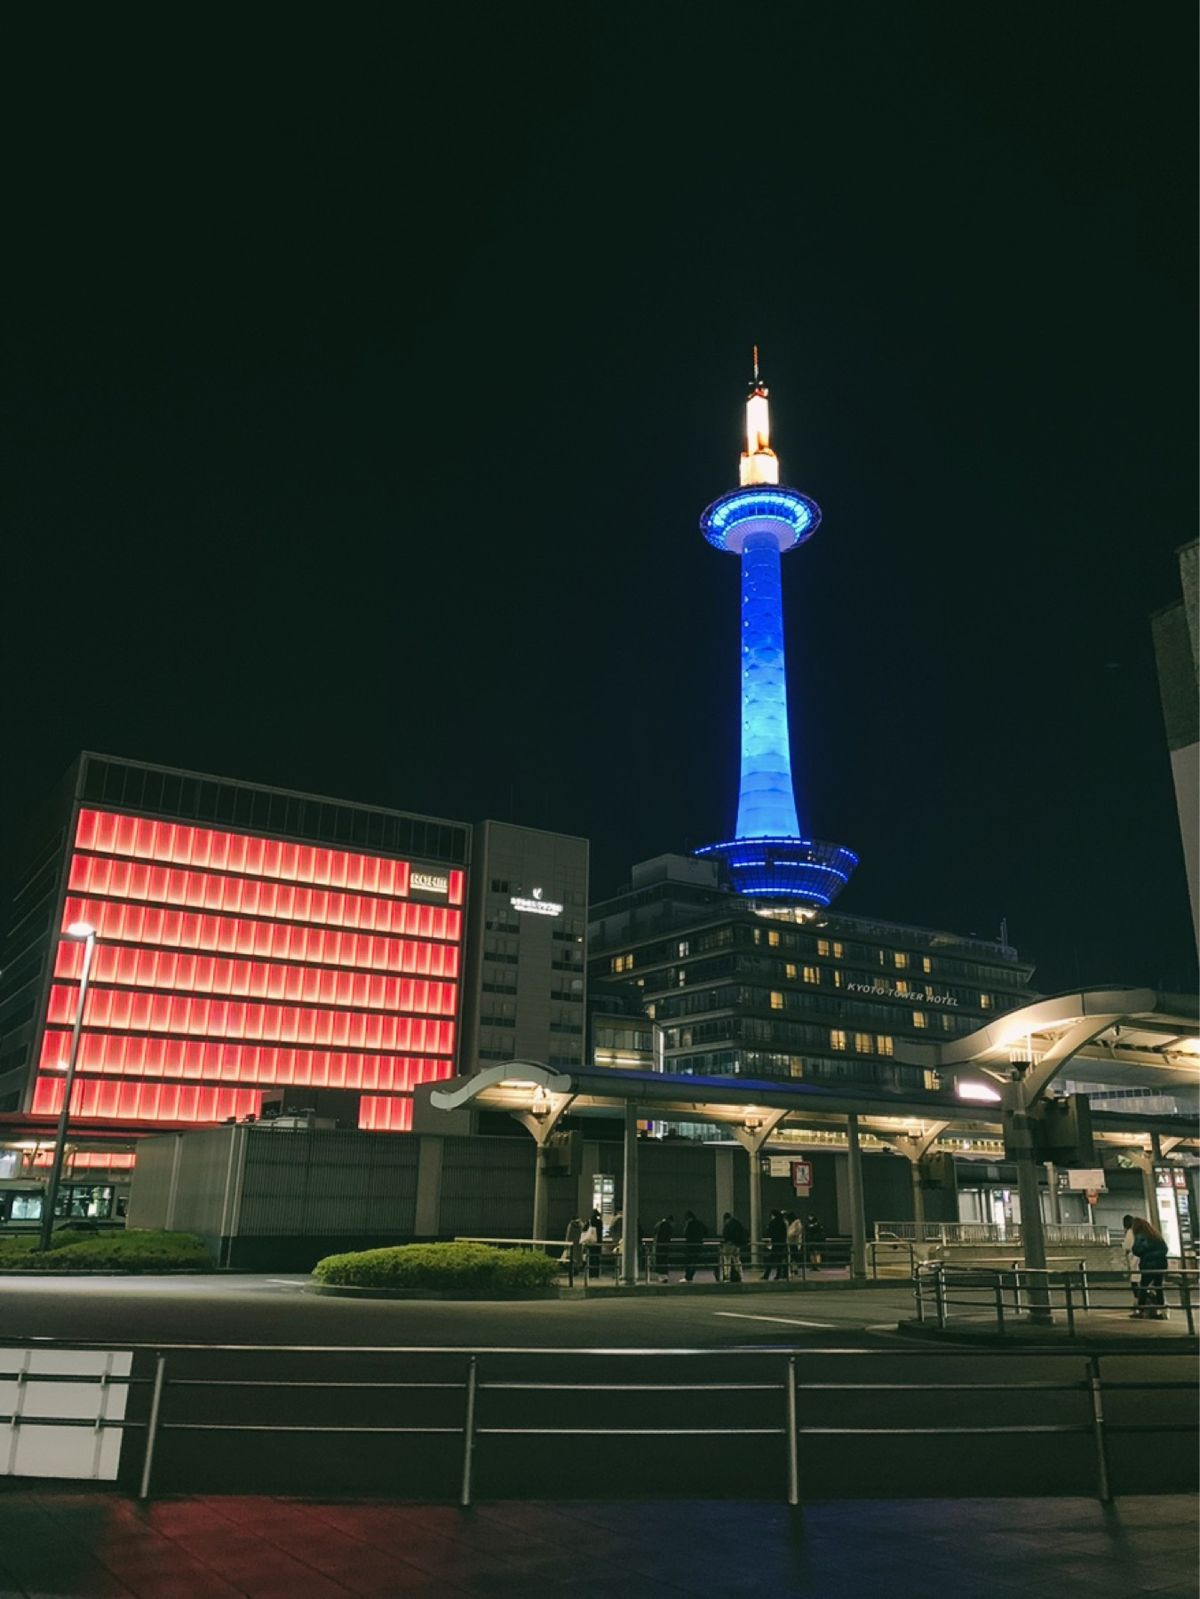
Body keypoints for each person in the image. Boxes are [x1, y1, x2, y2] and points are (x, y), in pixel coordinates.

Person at [1123, 1213, 1170, 1319]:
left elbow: (1137, 1250)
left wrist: (1145, 1255)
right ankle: (1162, 1311)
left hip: (1149, 1265)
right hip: (1161, 1264)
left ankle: (1141, 1310)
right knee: (1158, 1287)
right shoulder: (1155, 1235)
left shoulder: (1140, 1236)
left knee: (1143, 1287)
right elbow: (1165, 1248)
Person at [719, 1211, 747, 1283]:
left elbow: (725, 1235)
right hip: (737, 1245)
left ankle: (727, 1276)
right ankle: (739, 1275)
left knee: (727, 1260)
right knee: (737, 1260)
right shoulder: (737, 1223)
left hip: (729, 1245)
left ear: (725, 1219)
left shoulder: (728, 1225)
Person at [682, 1210, 708, 1281]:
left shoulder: (689, 1224)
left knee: (688, 1261)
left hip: (690, 1246)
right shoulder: (700, 1223)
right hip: (698, 1245)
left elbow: (685, 1234)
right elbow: (706, 1232)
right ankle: (690, 1275)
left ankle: (688, 1276)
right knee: (694, 1262)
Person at [764, 1209, 788, 1280]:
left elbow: (769, 1232)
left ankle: (767, 1274)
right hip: (782, 1243)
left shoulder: (772, 1223)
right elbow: (784, 1233)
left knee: (771, 1259)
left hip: (775, 1243)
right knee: (780, 1260)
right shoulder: (782, 1222)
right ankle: (779, 1274)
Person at [653, 1214, 674, 1282]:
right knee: (663, 1262)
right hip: (663, 1247)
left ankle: (661, 1277)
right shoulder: (666, 1225)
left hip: (658, 1246)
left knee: (659, 1261)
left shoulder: (658, 1224)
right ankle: (664, 1278)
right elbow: (667, 1236)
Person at [785, 1211, 804, 1276]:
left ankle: (794, 1269)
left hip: (794, 1242)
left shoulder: (797, 1223)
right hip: (791, 1242)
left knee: (794, 1257)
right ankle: (793, 1269)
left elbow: (795, 1233)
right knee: (792, 1257)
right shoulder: (792, 1223)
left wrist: (789, 1235)